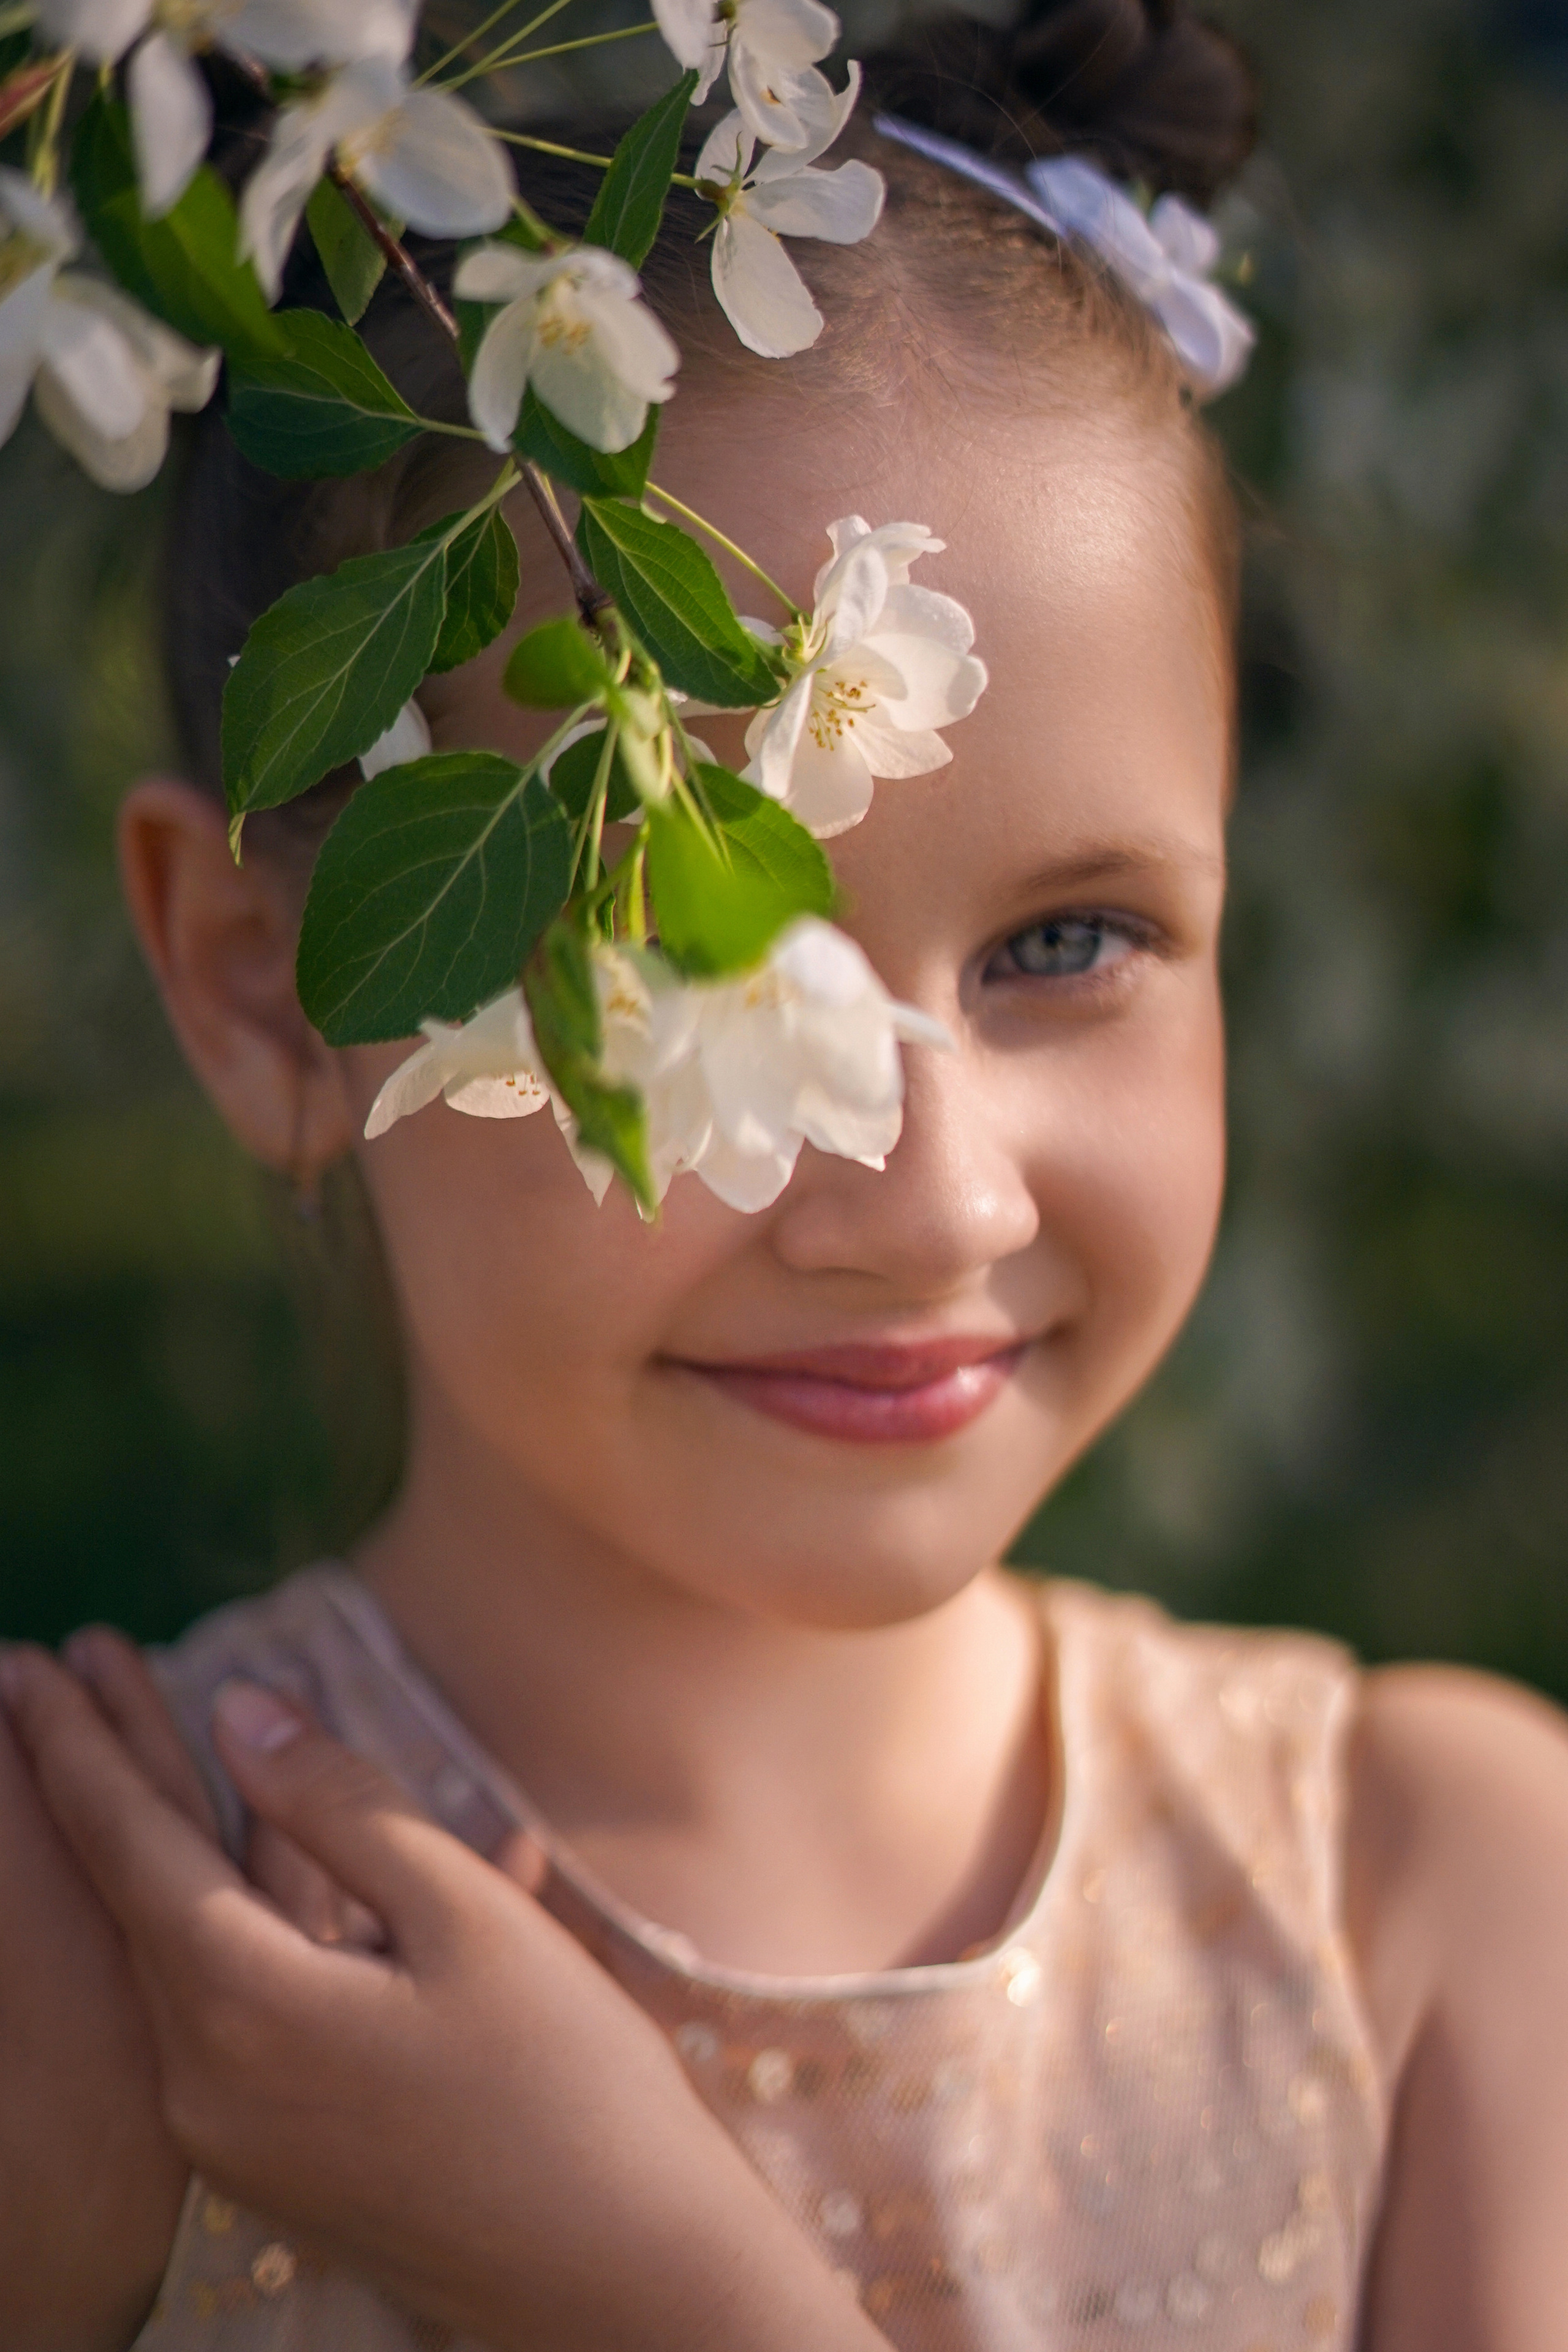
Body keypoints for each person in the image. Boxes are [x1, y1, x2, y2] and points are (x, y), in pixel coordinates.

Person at [4, 4, 1568, 2348]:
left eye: (1071, 939)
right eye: (671, 936)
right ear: (267, 986)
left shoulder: (1439, 1911)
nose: (932, 1201)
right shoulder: (105, 1968)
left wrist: (666, 2293)